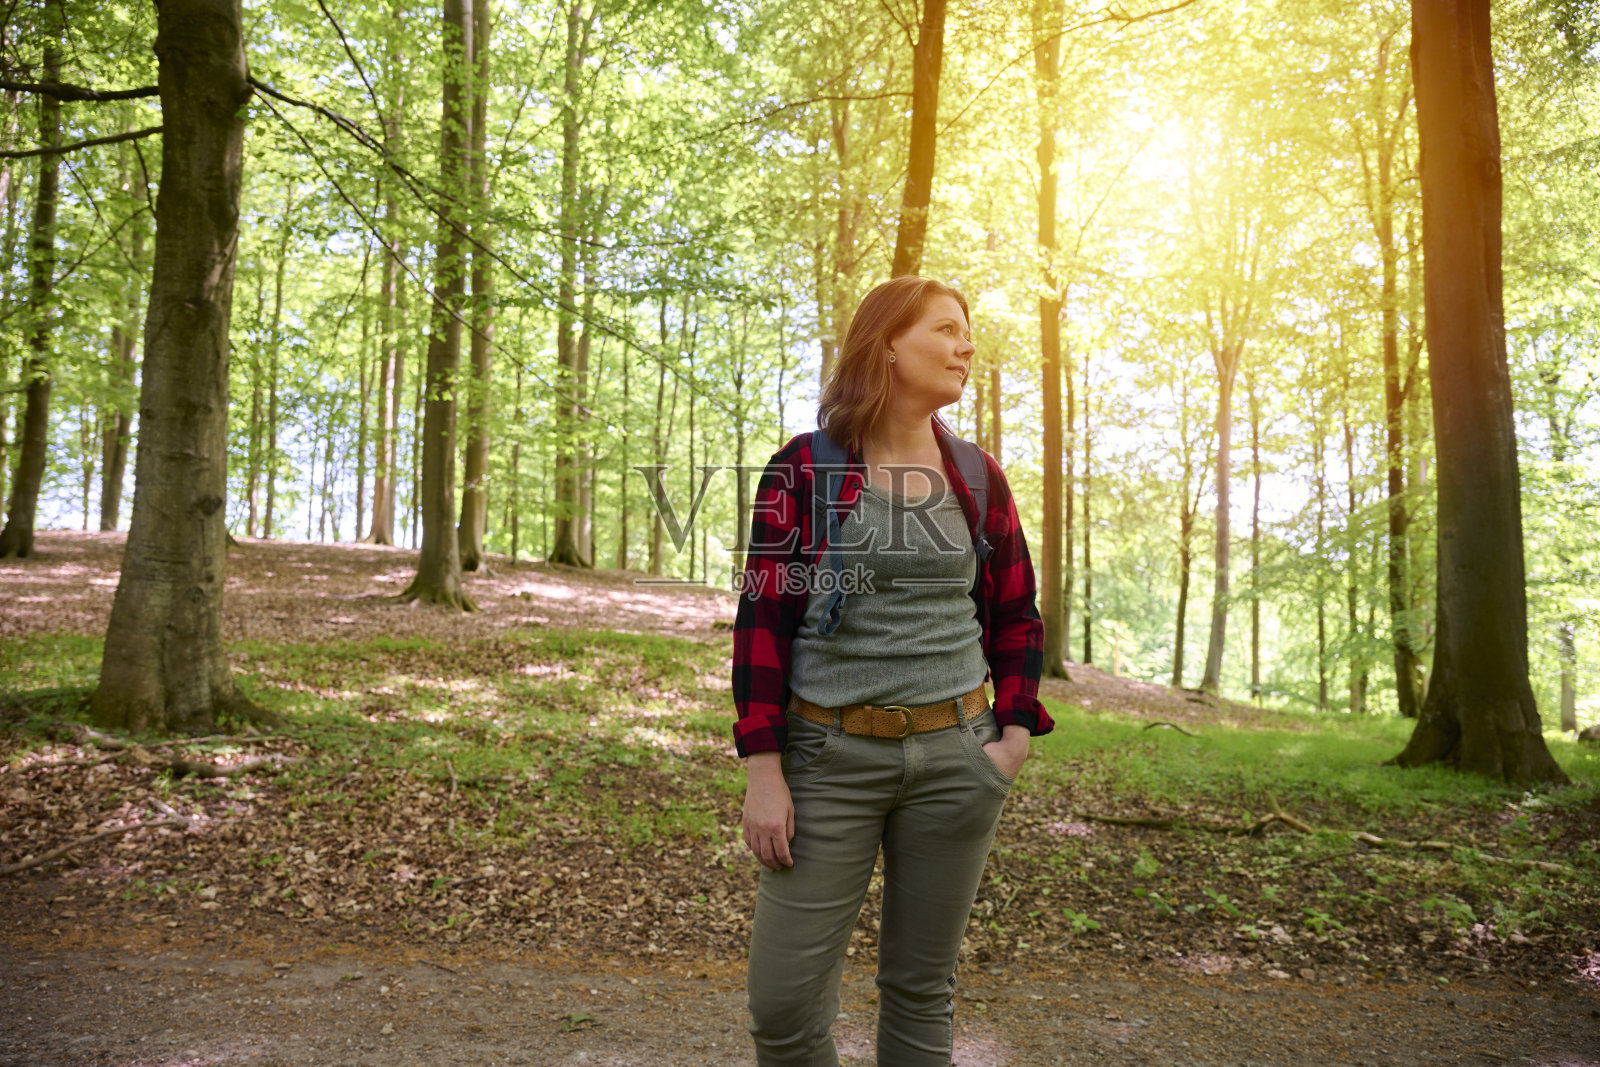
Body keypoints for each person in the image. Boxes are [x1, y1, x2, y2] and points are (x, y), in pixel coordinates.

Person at [732, 275, 1052, 1066]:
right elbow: (763, 621)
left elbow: (1017, 612)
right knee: (783, 1007)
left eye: (966, 331)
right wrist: (764, 769)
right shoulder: (805, 468)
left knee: (920, 991)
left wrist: (1012, 736)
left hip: (957, 757)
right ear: (887, 346)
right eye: (945, 329)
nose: (965, 346)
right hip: (826, 760)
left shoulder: (977, 475)